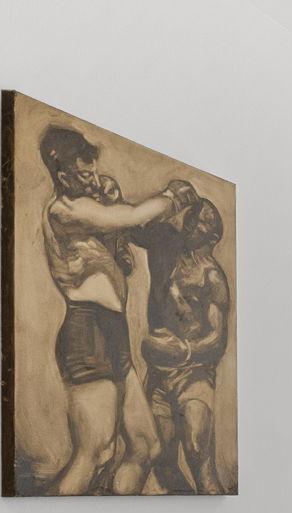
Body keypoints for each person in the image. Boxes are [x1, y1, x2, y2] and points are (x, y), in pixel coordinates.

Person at [37, 124, 195, 494]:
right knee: (96, 452)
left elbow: (117, 249)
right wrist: (174, 197)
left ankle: (112, 511)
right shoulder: (64, 210)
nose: (92, 180)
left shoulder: (89, 207)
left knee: (146, 446)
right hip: (87, 330)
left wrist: (114, 211)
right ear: (62, 175)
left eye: (93, 172)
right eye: (83, 174)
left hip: (112, 330)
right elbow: (133, 217)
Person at [139, 197, 232, 493]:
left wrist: (185, 351)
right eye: (192, 216)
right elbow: (137, 229)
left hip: (195, 374)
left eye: (202, 221)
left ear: (212, 237)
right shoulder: (164, 256)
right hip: (159, 373)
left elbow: (217, 340)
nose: (191, 224)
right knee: (161, 460)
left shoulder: (211, 276)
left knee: (198, 456)